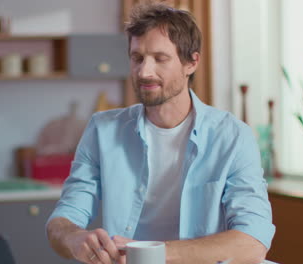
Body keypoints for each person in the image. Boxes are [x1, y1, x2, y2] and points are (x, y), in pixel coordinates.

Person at [46, 3, 275, 264]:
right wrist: (74, 239)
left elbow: (253, 241)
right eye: (137, 58)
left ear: (191, 62)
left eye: (160, 58)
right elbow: (62, 220)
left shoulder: (234, 137)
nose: (145, 71)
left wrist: (151, 253)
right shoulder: (102, 130)